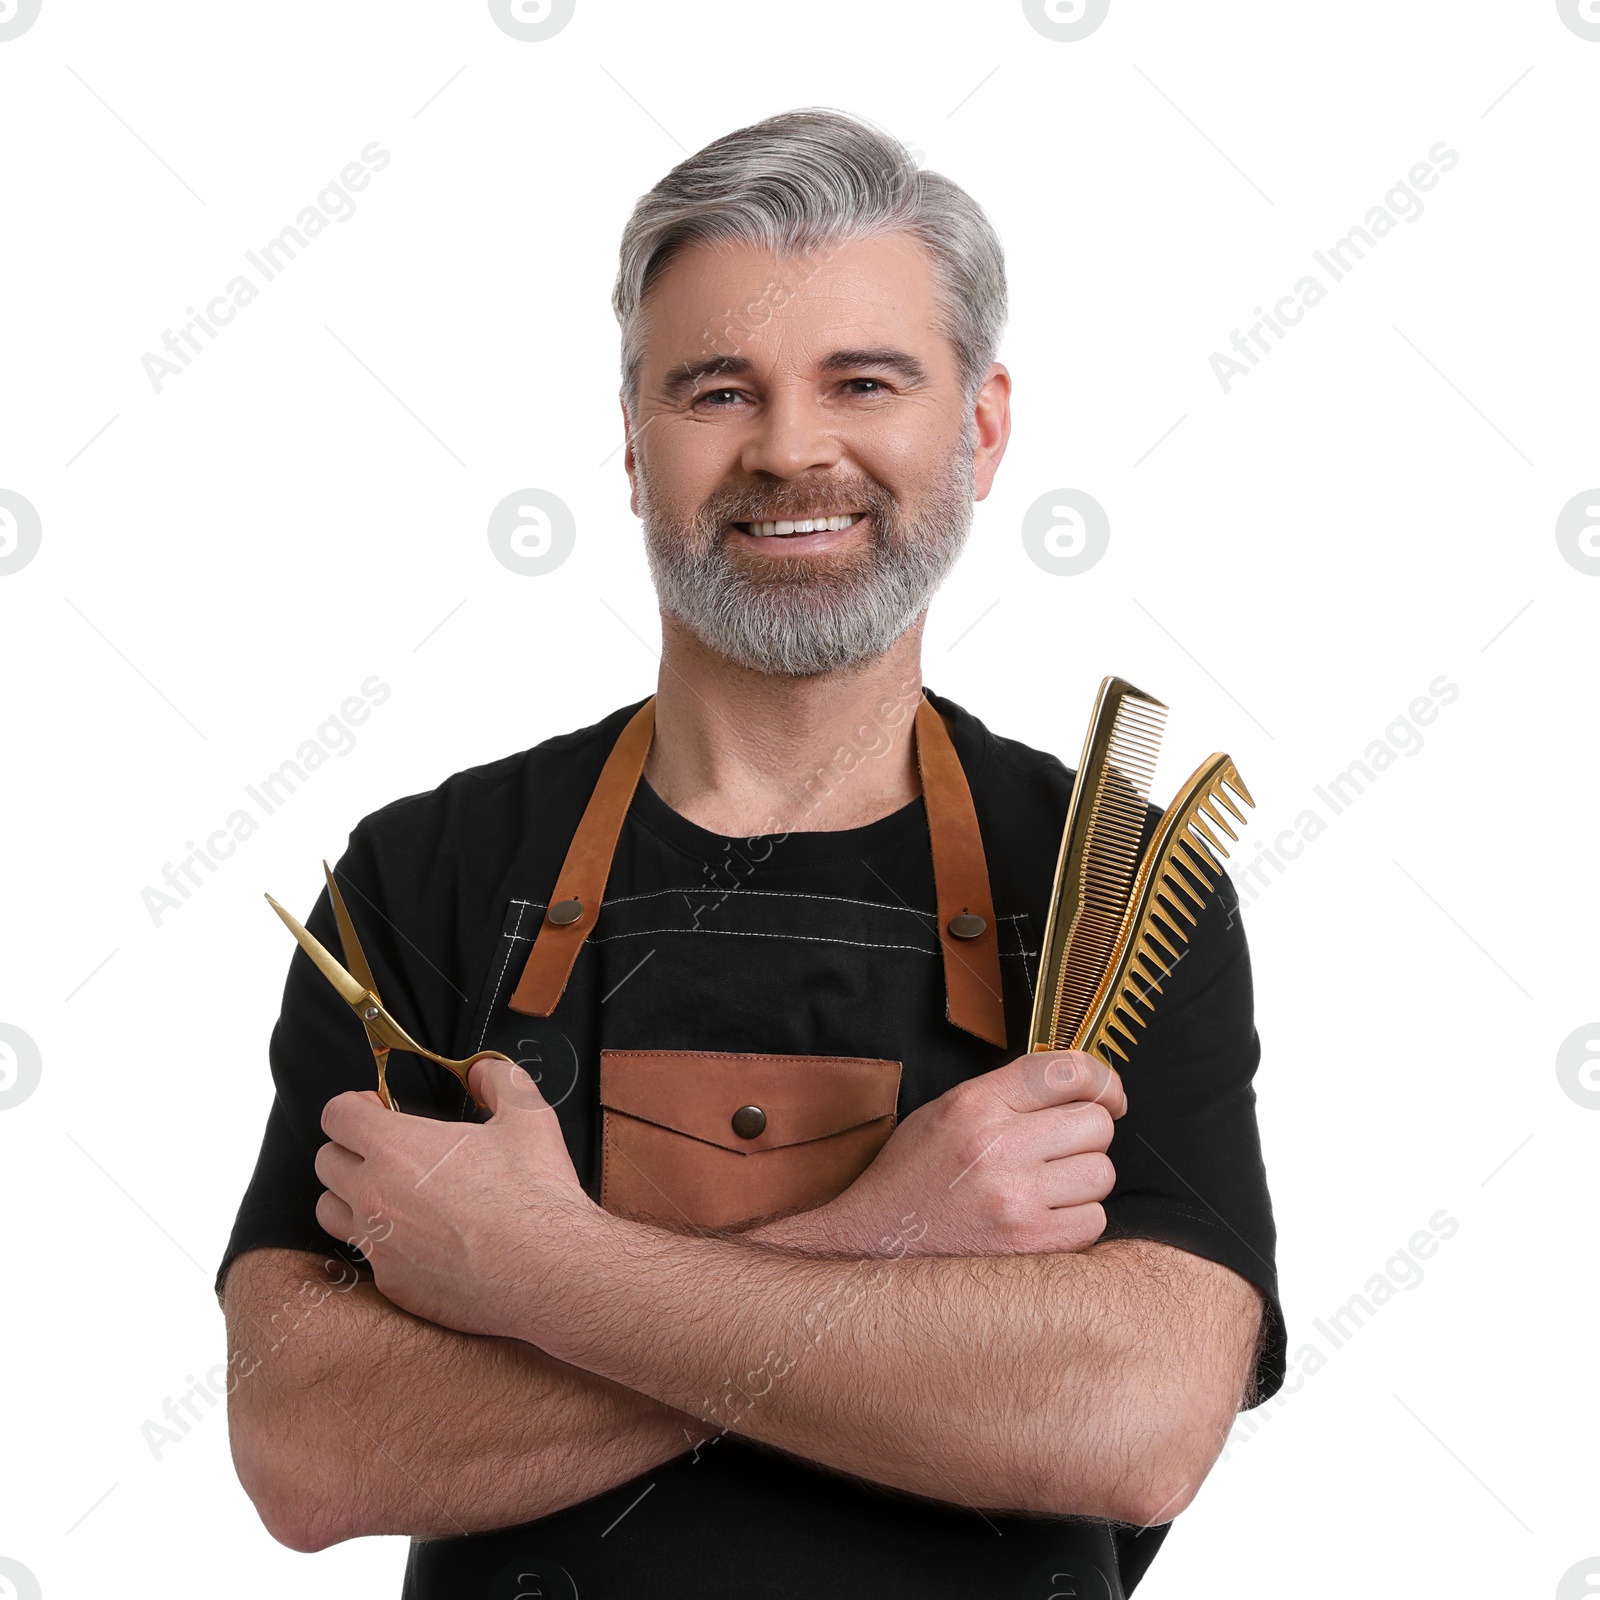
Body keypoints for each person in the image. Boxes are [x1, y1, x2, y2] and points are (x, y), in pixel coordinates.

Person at [219, 106, 1285, 1599]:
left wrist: (534, 1275)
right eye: (719, 389)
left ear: (978, 428)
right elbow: (310, 1445)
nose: (791, 449)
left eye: (864, 382)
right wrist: (884, 1238)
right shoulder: (425, 878)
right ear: (636, 445)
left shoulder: (1109, 892)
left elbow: (1133, 1418)